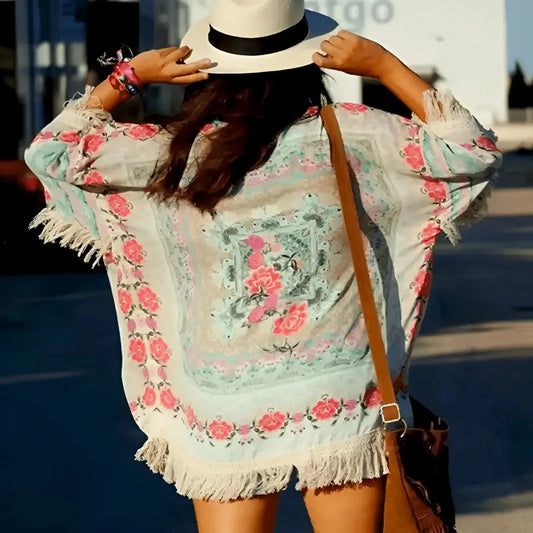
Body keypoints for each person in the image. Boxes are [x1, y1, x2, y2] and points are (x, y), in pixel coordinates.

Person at [24, 1, 501, 531]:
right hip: (339, 394)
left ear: (206, 70)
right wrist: (385, 67)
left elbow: (54, 152)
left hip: (224, 401)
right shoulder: (356, 137)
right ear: (307, 64)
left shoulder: (173, 154)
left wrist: (129, 76)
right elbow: (471, 150)